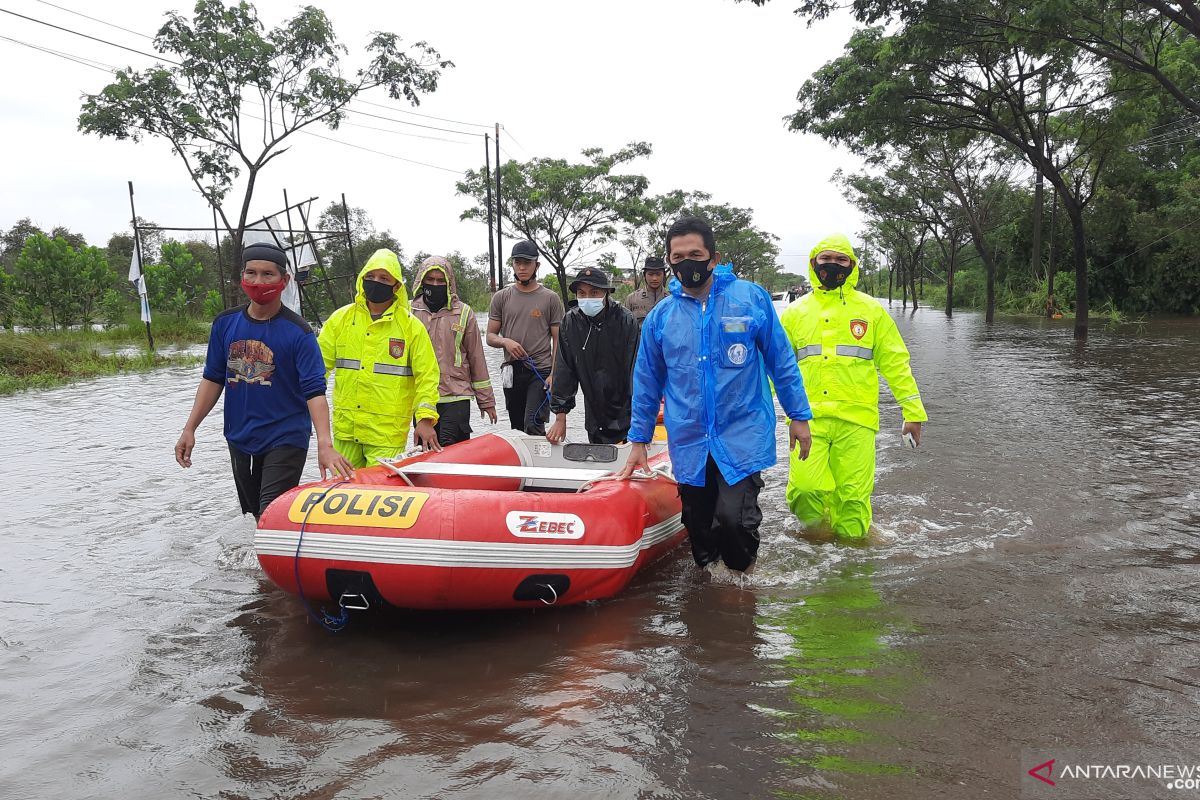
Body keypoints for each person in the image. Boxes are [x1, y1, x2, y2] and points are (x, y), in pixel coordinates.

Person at [620, 216, 814, 574]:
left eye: (695, 253)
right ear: (669, 262)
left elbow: (781, 360)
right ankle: (711, 590)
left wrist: (798, 416)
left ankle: (743, 583)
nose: (686, 263)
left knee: (733, 520)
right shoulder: (661, 317)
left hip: (741, 433)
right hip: (689, 438)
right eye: (677, 257)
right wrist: (638, 440)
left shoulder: (750, 299)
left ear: (713, 257)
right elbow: (646, 381)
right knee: (698, 526)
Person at [175, 242, 353, 519]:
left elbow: (315, 392)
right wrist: (190, 428)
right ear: (241, 278)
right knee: (252, 516)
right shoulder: (225, 324)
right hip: (239, 435)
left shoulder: (299, 333)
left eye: (268, 274)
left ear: (285, 280)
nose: (258, 281)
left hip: (285, 437)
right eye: (251, 273)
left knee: (271, 515)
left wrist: (324, 444)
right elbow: (212, 378)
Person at [779, 233, 927, 539]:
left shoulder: (871, 311)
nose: (833, 265)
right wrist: (759, 410)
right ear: (814, 263)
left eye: (841, 260)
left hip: (857, 421)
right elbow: (775, 367)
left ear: (852, 265)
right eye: (826, 259)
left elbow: (896, 363)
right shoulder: (795, 313)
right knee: (806, 490)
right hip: (807, 419)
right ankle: (814, 540)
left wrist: (913, 412)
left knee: (853, 502)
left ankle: (852, 568)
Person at [317, 248, 442, 469]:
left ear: (396, 286)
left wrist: (424, 419)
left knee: (379, 495)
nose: (376, 282)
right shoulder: (340, 320)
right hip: (345, 431)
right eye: (371, 277)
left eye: (384, 278)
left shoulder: (410, 327)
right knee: (341, 495)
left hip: (386, 435)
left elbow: (427, 376)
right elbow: (317, 371)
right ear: (362, 279)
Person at [410, 254, 497, 447]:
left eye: (441, 281)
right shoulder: (409, 313)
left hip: (456, 395)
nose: (435, 284)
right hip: (422, 398)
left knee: (452, 449)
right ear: (421, 281)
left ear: (449, 283)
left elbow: (476, 359)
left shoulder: (464, 313)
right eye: (430, 280)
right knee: (424, 452)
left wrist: (486, 401)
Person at [546, 266, 640, 445]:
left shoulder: (626, 320)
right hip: (594, 413)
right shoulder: (571, 322)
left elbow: (635, 370)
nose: (587, 298)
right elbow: (564, 370)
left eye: (594, 292)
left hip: (627, 412)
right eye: (581, 293)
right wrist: (560, 416)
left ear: (606, 293)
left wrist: (640, 418)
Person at [486, 240, 564, 436]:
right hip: (511, 371)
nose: (522, 267)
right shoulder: (501, 298)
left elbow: (559, 341)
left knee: (533, 423)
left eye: (527, 263)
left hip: (540, 371)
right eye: (518, 262)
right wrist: (506, 341)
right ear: (512, 264)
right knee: (517, 427)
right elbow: (490, 336)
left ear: (536, 265)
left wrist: (554, 375)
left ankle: (541, 465)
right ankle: (522, 466)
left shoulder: (550, 298)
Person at [623, 255, 668, 330]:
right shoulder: (632, 299)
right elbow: (624, 326)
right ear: (644, 275)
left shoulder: (671, 299)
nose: (654, 278)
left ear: (664, 275)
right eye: (650, 274)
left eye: (658, 274)